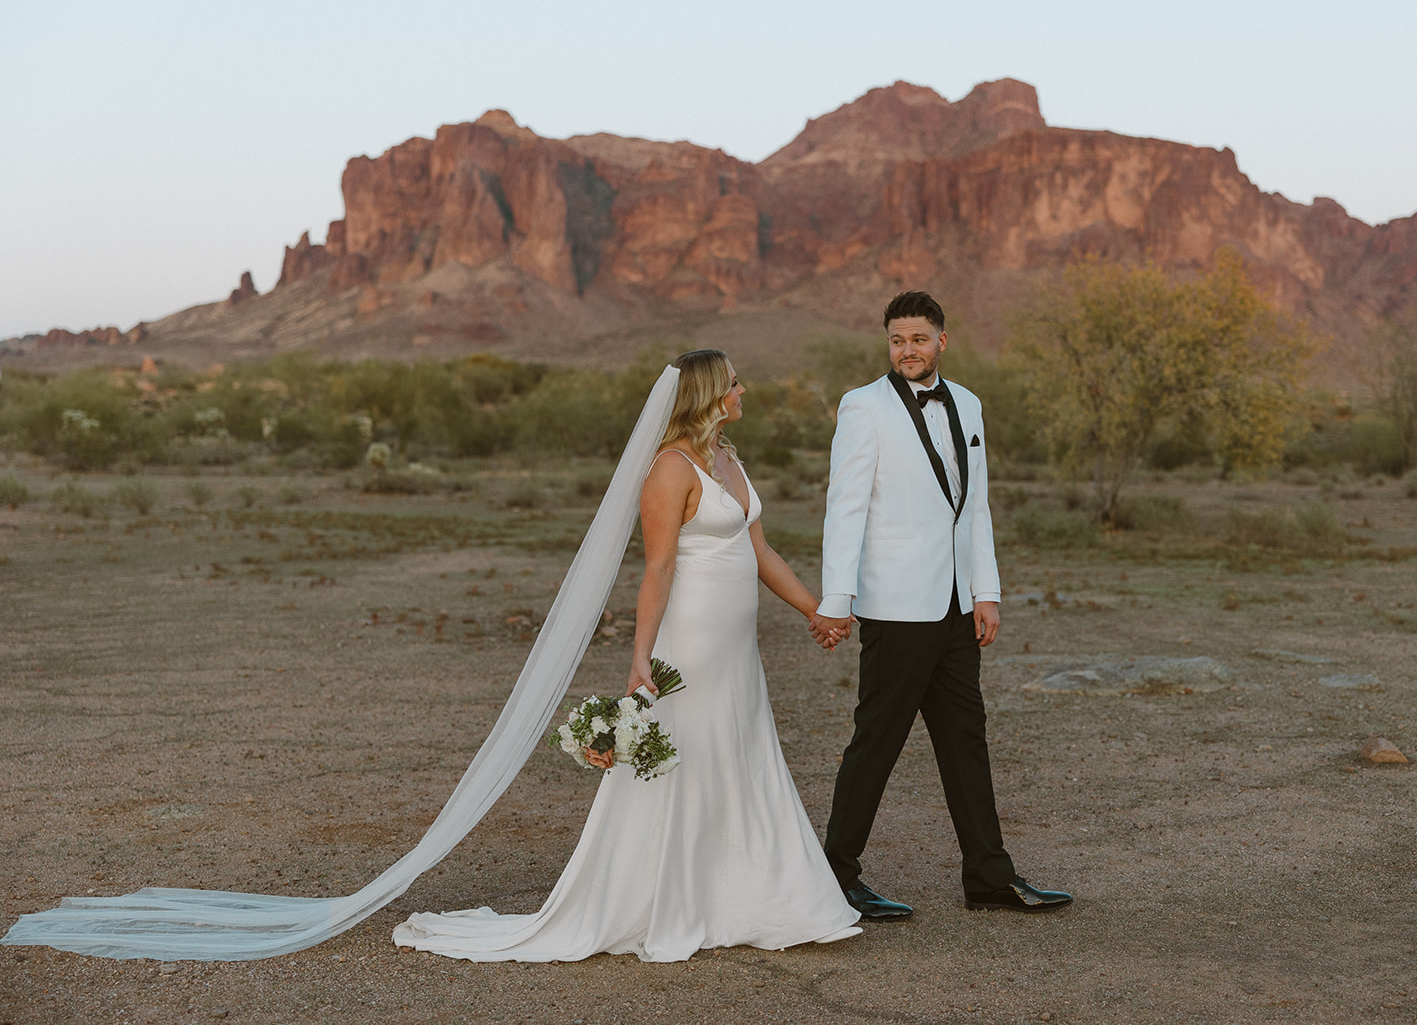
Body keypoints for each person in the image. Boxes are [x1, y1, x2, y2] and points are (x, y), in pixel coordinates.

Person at [393, 350, 861, 961]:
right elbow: (658, 568)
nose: (743, 389)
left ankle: (747, 895)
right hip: (691, 643)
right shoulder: (670, 468)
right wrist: (642, 657)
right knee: (687, 757)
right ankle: (670, 899)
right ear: (709, 394)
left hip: (736, 648)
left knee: (739, 752)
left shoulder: (727, 457)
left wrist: (815, 611)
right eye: (733, 382)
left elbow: (761, 551)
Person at [808, 292, 1073, 919]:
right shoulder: (863, 406)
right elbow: (844, 508)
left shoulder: (970, 404)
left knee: (965, 740)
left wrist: (986, 591)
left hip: (955, 606)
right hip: (895, 605)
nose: (907, 350)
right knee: (877, 741)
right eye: (897, 340)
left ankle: (988, 876)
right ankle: (834, 878)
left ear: (941, 342)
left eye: (918, 339)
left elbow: (974, 506)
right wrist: (837, 599)